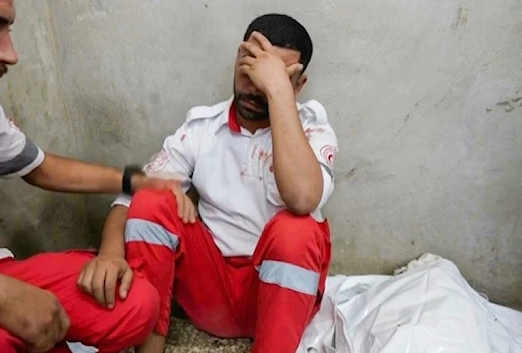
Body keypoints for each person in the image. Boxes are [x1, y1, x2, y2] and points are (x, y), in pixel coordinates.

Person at [79, 13, 340, 353]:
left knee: (298, 229)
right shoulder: (203, 126)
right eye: (251, 68)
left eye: (273, 76)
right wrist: (110, 253)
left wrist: (278, 93)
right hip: (209, 294)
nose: (256, 87)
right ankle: (149, 346)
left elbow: (303, 198)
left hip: (275, 302)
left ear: (298, 85)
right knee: (153, 199)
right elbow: (132, 197)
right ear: (237, 59)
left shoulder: (313, 129)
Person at [0, 0, 179, 352]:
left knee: (134, 304)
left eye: (9, 30)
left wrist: (132, 181)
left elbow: (40, 168)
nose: (10, 54)